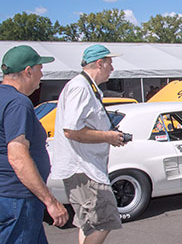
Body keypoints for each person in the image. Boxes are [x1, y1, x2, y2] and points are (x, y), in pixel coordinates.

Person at [51, 44, 126, 244]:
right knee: (105, 221)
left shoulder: (86, 87)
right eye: (110, 63)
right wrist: (107, 136)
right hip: (84, 169)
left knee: (89, 223)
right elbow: (71, 130)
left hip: (84, 168)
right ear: (100, 64)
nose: (112, 68)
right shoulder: (81, 88)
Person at [0, 45, 68, 243]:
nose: (42, 75)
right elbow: (17, 156)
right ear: (28, 71)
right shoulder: (17, 103)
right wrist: (51, 201)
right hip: (18, 199)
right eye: (40, 69)